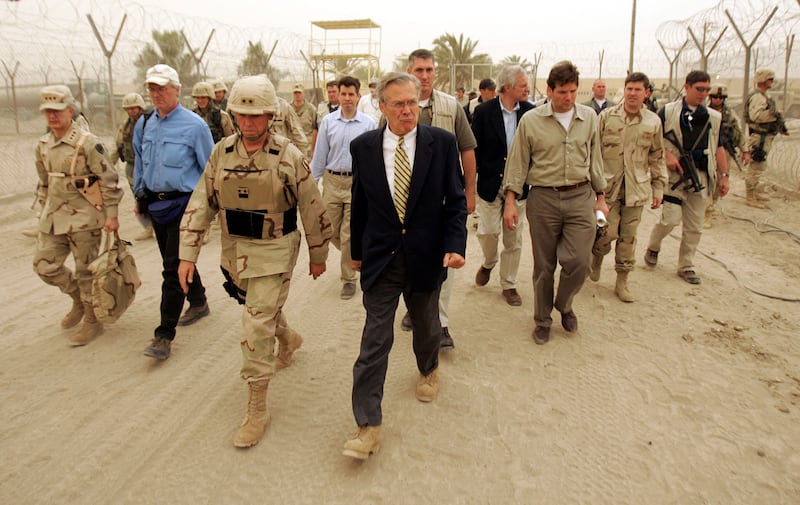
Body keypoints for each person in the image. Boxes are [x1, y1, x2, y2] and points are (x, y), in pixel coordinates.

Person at [177, 74, 331, 448]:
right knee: (258, 309)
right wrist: (187, 254)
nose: (249, 123)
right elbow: (202, 202)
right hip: (236, 253)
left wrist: (318, 253)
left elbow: (312, 206)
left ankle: (257, 407)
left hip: (276, 250)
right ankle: (289, 337)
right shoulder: (221, 153)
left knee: (254, 324)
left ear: (270, 116)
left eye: (257, 116)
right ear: (232, 116)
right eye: (242, 116)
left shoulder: (288, 157)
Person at [342, 72, 467, 460]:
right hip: (382, 258)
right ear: (381, 107)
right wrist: (357, 252)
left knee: (427, 325)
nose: (408, 110)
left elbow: (455, 202)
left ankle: (429, 368)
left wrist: (454, 245)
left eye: (413, 102)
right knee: (374, 339)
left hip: (426, 256)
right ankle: (368, 426)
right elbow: (360, 201)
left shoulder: (441, 144)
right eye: (398, 103)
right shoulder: (363, 146)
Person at [502, 60, 608, 345]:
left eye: (573, 91)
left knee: (579, 261)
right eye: (562, 91)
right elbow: (518, 164)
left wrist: (601, 197)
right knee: (544, 266)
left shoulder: (589, 118)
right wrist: (511, 201)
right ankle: (542, 319)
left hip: (580, 196)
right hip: (543, 199)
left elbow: (595, 159)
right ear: (549, 90)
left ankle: (564, 304)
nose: (568, 97)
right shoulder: (531, 121)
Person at [133, 64, 214, 360]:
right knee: (178, 261)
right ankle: (199, 300)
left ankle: (164, 334)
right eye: (152, 89)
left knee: (171, 268)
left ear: (177, 90)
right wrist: (139, 196)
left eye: (162, 88)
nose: (156, 94)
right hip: (157, 205)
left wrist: (208, 211)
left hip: (184, 206)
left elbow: (210, 170)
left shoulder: (195, 126)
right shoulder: (144, 124)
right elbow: (140, 161)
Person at [399, 48, 477, 349]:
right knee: (409, 256)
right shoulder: (396, 106)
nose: (425, 76)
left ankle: (441, 324)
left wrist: (469, 191)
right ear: (409, 71)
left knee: (446, 258)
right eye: (419, 70)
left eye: (430, 70)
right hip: (406, 200)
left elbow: (467, 149)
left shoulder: (451, 106)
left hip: (444, 198)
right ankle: (415, 307)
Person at [33, 85, 123, 345]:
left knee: (86, 272)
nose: (52, 116)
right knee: (44, 265)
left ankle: (92, 321)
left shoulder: (87, 142)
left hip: (85, 218)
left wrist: (112, 215)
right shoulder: (42, 145)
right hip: (54, 219)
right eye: (48, 112)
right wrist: (42, 210)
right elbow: (44, 183)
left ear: (70, 111)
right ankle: (78, 300)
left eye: (57, 111)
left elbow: (109, 179)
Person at [643, 70, 729, 285]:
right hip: (674, 176)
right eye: (699, 89)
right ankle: (653, 246)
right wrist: (668, 155)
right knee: (670, 219)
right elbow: (653, 140)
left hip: (700, 175)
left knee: (694, 225)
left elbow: (719, 147)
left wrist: (724, 176)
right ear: (687, 87)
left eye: (707, 90)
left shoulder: (713, 117)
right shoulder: (669, 112)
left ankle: (686, 265)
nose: (704, 94)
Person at [590, 72, 667, 302]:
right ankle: (596, 257)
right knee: (606, 231)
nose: (632, 93)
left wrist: (659, 187)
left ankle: (622, 281)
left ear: (646, 93)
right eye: (629, 89)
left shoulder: (653, 122)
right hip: (607, 190)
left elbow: (657, 155)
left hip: (636, 190)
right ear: (624, 90)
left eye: (637, 90)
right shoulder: (606, 117)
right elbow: (593, 153)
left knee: (628, 238)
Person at [471, 65, 534, 306]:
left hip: (518, 185)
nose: (526, 88)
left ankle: (509, 284)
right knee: (487, 232)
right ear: (507, 87)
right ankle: (488, 262)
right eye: (522, 85)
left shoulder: (530, 112)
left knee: (513, 238)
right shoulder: (484, 112)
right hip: (489, 183)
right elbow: (475, 149)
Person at [310, 76, 376, 300]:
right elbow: (320, 155)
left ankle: (348, 280)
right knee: (328, 230)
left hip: (355, 184)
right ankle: (355, 253)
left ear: (358, 96)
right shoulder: (328, 122)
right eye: (343, 94)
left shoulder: (368, 124)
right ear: (337, 95)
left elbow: (373, 157)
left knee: (348, 234)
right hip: (332, 182)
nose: (347, 99)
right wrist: (311, 183)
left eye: (351, 94)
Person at [110, 92, 154, 240]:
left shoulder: (150, 121)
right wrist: (109, 165)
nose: (131, 111)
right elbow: (118, 145)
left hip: (148, 165)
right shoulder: (126, 125)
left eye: (134, 108)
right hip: (132, 165)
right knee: (139, 197)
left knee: (154, 195)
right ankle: (148, 227)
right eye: (128, 109)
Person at [706, 82, 750, 227]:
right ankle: (704, 208)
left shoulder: (729, 115)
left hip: (723, 150)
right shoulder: (703, 111)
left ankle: (710, 207)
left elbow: (738, 133)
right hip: (706, 148)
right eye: (715, 97)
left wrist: (745, 151)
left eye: (720, 97)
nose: (718, 100)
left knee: (720, 179)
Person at [744, 68, 788, 208]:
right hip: (759, 137)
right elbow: (756, 116)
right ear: (763, 80)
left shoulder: (763, 96)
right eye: (770, 79)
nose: (772, 82)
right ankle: (750, 196)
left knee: (760, 165)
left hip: (764, 137)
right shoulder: (758, 97)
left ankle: (754, 192)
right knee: (756, 166)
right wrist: (774, 114)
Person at [311, 80, 340, 156]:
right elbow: (315, 130)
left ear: (339, 92)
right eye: (329, 92)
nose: (331, 94)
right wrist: (313, 150)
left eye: (334, 92)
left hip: (339, 149)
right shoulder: (321, 107)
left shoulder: (345, 109)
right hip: (323, 147)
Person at [290, 83, 316, 159]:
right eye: (295, 93)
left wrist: (313, 149)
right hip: (292, 146)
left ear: (303, 93)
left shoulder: (311, 109)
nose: (297, 95)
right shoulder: (288, 108)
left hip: (307, 146)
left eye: (299, 93)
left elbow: (315, 129)